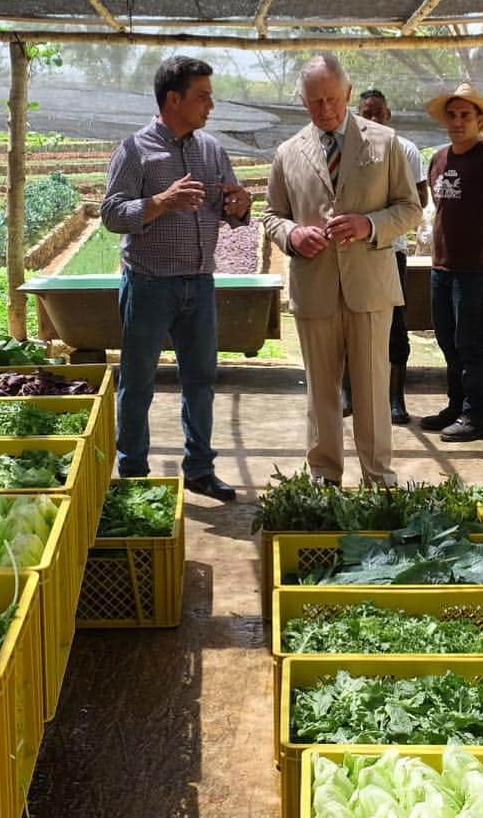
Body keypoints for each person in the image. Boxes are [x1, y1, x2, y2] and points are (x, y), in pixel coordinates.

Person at [262, 54, 421, 485]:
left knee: (372, 387)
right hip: (314, 287)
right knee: (322, 390)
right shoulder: (287, 153)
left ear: (348, 93)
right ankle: (325, 475)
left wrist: (369, 224)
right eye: (316, 102)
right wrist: (292, 236)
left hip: (370, 286)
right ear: (303, 101)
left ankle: (379, 478)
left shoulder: (385, 143)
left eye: (333, 99)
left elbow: (410, 209)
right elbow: (272, 215)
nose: (326, 109)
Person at [102, 56, 252, 501]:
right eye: (202, 96)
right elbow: (111, 214)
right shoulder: (135, 150)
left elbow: (234, 209)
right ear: (174, 99)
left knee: (202, 379)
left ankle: (200, 468)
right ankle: (131, 471)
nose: (210, 105)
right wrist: (160, 202)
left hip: (199, 284)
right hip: (149, 283)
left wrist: (239, 204)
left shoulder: (212, 151)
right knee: (138, 380)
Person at [421, 82, 483, 442]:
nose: (458, 121)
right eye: (452, 115)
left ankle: (477, 416)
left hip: (476, 271)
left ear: (480, 120)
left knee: (472, 343)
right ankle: (456, 406)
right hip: (443, 268)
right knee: (448, 340)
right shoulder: (439, 159)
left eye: (466, 115)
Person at [342, 89, 429, 425]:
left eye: (378, 113)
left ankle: (395, 398)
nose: (372, 119)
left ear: (388, 114)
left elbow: (417, 200)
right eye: (366, 113)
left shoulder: (405, 150)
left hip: (392, 251)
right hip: (353, 252)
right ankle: (348, 393)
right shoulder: (347, 151)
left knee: (395, 325)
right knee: (350, 319)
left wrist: (382, 216)